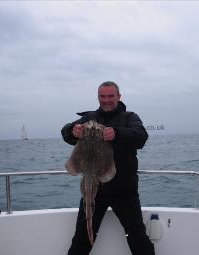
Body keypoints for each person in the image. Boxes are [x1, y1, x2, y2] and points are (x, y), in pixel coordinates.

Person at [61, 81, 155, 255]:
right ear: (98, 98)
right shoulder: (89, 117)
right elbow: (65, 132)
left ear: (119, 97)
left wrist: (117, 133)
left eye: (110, 96)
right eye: (102, 96)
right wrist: (73, 131)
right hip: (93, 189)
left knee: (138, 238)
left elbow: (141, 137)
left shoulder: (129, 117)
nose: (106, 100)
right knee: (81, 240)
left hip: (124, 190)